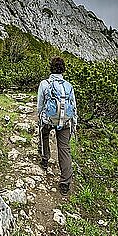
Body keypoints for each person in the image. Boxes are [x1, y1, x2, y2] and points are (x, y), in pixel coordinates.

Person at [37, 56, 77, 195]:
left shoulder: (44, 84)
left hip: (49, 118)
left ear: (51, 68)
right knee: (64, 149)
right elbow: (74, 106)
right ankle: (65, 183)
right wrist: (74, 123)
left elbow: (40, 105)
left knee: (44, 134)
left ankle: (45, 159)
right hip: (65, 121)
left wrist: (40, 118)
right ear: (63, 70)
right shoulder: (68, 86)